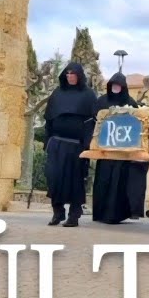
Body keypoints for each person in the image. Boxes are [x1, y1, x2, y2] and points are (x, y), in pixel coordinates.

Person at [42, 62, 97, 227]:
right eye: (67, 73)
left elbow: (92, 122)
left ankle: (74, 215)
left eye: (73, 73)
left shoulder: (88, 95)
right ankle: (57, 213)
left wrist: (87, 144)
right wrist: (47, 141)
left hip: (77, 146)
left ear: (79, 76)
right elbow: (49, 120)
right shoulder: (57, 93)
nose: (70, 76)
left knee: (76, 181)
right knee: (54, 178)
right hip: (56, 144)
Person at [91, 72, 149, 224]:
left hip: (123, 152)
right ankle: (100, 213)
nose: (116, 88)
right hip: (105, 151)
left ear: (123, 87)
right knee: (103, 181)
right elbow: (94, 122)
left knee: (119, 183)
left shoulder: (130, 102)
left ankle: (115, 215)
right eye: (113, 85)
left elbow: (138, 123)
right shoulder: (101, 101)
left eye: (119, 85)